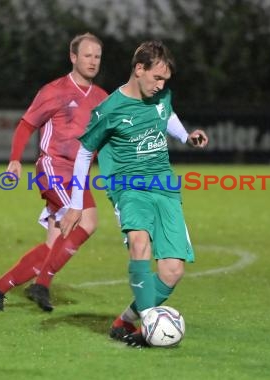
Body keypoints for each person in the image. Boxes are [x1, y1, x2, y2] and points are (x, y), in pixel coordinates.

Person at [60, 40, 208, 347]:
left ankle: (126, 320)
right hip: (128, 187)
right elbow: (86, 153)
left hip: (164, 186)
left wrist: (186, 135)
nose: (161, 85)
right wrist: (75, 204)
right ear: (139, 69)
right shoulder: (110, 109)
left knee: (172, 271)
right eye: (157, 77)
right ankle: (150, 327)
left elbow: (166, 115)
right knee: (139, 243)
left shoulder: (161, 95)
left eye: (165, 80)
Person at [0, 33, 107, 311]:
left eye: (97, 56)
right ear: (73, 57)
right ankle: (42, 284)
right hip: (54, 168)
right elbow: (26, 125)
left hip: (78, 176)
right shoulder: (55, 90)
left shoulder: (101, 98)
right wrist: (15, 160)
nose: (92, 61)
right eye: (87, 55)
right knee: (88, 219)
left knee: (53, 247)